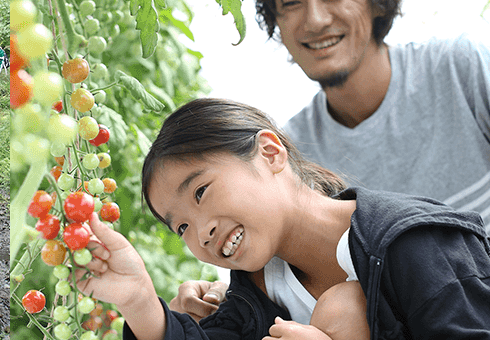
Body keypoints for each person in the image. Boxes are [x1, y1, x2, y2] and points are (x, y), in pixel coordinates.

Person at [168, 0, 490, 325]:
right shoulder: (289, 154)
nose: (316, 19)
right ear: (275, 21)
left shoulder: (462, 67)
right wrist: (223, 297)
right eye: (291, 3)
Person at [76, 98, 490, 340]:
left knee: (342, 310)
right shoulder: (253, 294)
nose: (201, 232)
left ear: (271, 153)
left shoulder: (419, 245)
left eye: (201, 191)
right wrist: (140, 300)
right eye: (181, 226)